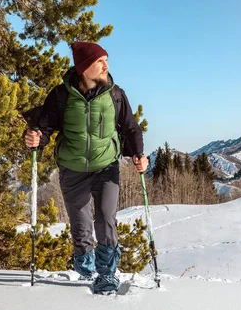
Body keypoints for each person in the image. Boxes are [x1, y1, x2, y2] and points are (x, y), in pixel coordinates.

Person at [24, 41, 148, 294]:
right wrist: (36, 139)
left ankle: (107, 273)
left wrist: (138, 154)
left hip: (106, 167)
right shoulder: (60, 95)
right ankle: (85, 269)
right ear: (84, 68)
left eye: (106, 60)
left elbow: (130, 127)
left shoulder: (115, 94)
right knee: (80, 224)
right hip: (72, 168)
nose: (106, 66)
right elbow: (46, 128)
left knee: (105, 218)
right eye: (100, 61)